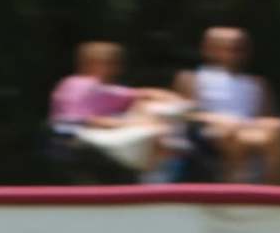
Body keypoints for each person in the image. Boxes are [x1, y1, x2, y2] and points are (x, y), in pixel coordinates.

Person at [175, 27, 280, 184]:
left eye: (240, 48)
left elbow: (267, 117)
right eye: (229, 47)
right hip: (212, 129)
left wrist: (250, 125)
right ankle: (232, 189)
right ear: (209, 50)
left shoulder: (258, 84)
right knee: (230, 130)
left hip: (248, 129)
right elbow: (185, 112)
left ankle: (275, 193)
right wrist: (217, 119)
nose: (235, 52)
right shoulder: (192, 78)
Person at [49, 42, 182, 177]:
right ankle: (154, 181)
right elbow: (82, 121)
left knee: (147, 112)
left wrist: (178, 103)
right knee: (156, 132)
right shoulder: (79, 84)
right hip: (73, 141)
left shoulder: (97, 87)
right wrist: (137, 125)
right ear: (91, 63)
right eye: (108, 63)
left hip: (88, 139)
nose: (115, 69)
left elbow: (140, 94)